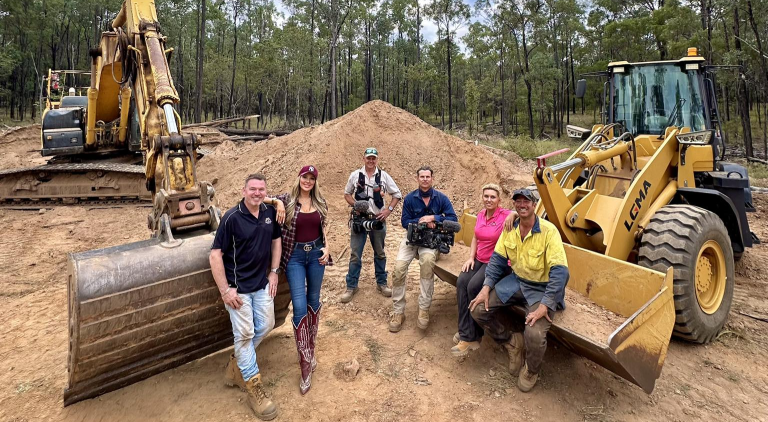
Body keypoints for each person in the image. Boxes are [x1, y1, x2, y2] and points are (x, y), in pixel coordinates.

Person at [469, 188, 569, 393]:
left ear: (534, 205)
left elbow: (560, 272)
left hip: (541, 288)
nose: (522, 205)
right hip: (516, 282)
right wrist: (486, 287)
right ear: (514, 204)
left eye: (527, 201)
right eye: (518, 201)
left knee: (534, 333)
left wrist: (546, 304)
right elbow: (497, 260)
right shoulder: (511, 228)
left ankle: (531, 369)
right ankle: (511, 342)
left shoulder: (549, 232)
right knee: (478, 309)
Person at [210, 173, 281, 421]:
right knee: (245, 334)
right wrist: (224, 290)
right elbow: (215, 255)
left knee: (267, 325)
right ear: (244, 190)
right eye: (253, 189)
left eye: (262, 190)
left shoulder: (269, 214)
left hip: (261, 285)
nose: (257, 193)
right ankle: (253, 387)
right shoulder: (231, 218)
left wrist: (274, 272)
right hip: (237, 290)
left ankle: (238, 363)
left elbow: (276, 241)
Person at [273, 165, 333, 395]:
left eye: (311, 178)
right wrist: (276, 203)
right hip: (295, 257)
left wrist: (327, 247)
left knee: (313, 301)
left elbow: (324, 228)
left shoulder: (320, 202)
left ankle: (311, 350)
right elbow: (264, 198)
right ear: (298, 178)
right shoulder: (286, 200)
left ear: (315, 182)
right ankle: (305, 364)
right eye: (304, 177)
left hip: (316, 254)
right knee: (299, 308)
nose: (307, 181)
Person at [389, 166, 458, 332]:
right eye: (422, 177)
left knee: (427, 263)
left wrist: (434, 218)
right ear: (417, 179)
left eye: (428, 177)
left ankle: (424, 309)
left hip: (431, 240)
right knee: (398, 269)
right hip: (412, 238)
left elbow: (453, 219)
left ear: (432, 179)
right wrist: (420, 221)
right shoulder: (410, 198)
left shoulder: (441, 198)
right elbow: (404, 221)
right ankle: (398, 311)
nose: (425, 179)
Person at [451, 184, 515, 357]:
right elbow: (475, 238)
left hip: (496, 262)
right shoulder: (480, 215)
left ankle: (474, 336)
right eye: (486, 196)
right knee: (462, 282)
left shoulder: (505, 215)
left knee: (473, 286)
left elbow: (525, 214)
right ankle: (466, 332)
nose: (489, 200)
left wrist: (514, 213)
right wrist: (471, 257)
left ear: (499, 200)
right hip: (479, 259)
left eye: (492, 197)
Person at [340, 147, 402, 303]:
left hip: (378, 219)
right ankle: (351, 286)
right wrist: (356, 205)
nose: (371, 160)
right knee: (355, 254)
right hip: (359, 220)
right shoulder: (355, 176)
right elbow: (347, 194)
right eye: (368, 158)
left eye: (374, 158)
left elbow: (397, 195)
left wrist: (388, 210)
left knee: (380, 253)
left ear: (377, 159)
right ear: (364, 159)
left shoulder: (384, 177)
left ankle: (382, 283)